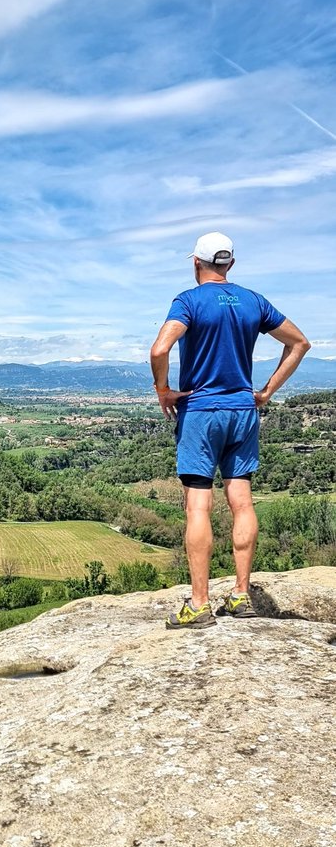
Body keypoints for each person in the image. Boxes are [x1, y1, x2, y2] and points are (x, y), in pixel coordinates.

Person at [150, 231, 310, 630]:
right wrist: (267, 392)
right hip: (243, 411)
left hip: (202, 412)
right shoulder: (253, 300)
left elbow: (159, 349)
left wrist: (164, 390)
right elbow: (300, 343)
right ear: (230, 265)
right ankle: (241, 595)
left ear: (195, 263)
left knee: (198, 505)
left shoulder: (188, 301)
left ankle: (199, 604)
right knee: (241, 499)